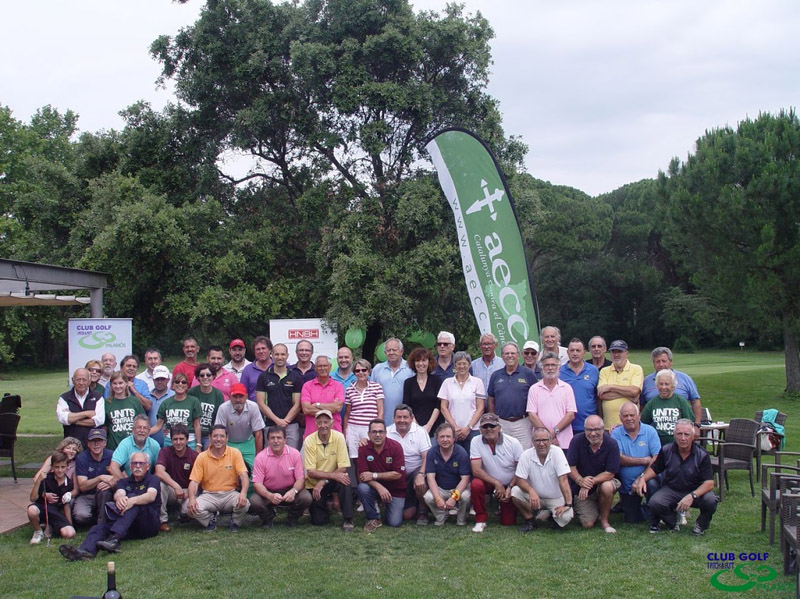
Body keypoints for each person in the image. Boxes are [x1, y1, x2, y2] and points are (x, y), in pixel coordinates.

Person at [59, 452, 160, 560]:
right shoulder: (124, 481)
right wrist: (120, 499)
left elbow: (151, 496)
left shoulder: (153, 479)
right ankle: (85, 552)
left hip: (148, 524)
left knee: (134, 504)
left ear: (148, 466)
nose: (138, 466)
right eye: (135, 463)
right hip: (128, 526)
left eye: (141, 463)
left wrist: (132, 500)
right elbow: (119, 493)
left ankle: (114, 539)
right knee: (98, 528)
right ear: (130, 466)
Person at [634, 419, 718, 535]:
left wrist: (692, 496)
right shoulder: (666, 450)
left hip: (695, 491)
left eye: (686, 434)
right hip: (672, 489)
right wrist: (642, 478)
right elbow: (655, 468)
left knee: (710, 500)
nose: (683, 438)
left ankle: (701, 525)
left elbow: (709, 483)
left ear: (693, 436)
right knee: (655, 502)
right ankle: (673, 522)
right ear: (674, 435)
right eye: (679, 434)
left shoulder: (702, 455)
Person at [188, 424, 250, 532]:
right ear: (210, 438)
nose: (218, 439)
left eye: (222, 436)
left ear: (227, 438)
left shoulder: (235, 453)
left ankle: (235, 522)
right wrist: (192, 499)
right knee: (191, 509)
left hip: (230, 494)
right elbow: (194, 481)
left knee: (245, 504)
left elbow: (243, 475)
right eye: (215, 436)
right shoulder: (201, 457)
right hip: (209, 495)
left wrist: (243, 493)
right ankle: (210, 521)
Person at [511, 427, 574, 532]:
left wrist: (567, 504)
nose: (541, 444)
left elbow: (563, 480)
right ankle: (530, 521)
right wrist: (531, 491)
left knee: (566, 517)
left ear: (550, 440)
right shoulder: (526, 455)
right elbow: (520, 479)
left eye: (544, 440)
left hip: (555, 498)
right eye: (538, 440)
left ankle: (551, 516)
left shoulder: (558, 452)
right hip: (535, 498)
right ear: (533, 442)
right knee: (515, 492)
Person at [567, 415, 621, 533]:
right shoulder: (576, 441)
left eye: (596, 429)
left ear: (602, 429)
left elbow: (610, 473)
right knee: (588, 524)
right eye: (589, 430)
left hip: (603, 482)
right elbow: (570, 467)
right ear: (584, 429)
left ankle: (605, 521)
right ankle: (596, 506)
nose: (593, 433)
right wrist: (580, 481)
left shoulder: (611, 444)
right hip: (581, 485)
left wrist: (589, 482)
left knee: (607, 486)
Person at [302, 410, 355, 531]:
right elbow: (311, 472)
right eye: (319, 422)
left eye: (326, 422)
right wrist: (322, 481)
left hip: (332, 480)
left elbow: (343, 467)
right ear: (315, 424)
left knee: (345, 480)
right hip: (314, 483)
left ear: (332, 423)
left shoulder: (339, 437)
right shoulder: (309, 440)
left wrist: (324, 481)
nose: (323, 425)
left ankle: (348, 518)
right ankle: (325, 509)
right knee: (319, 521)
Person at [250, 426, 312, 528]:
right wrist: (269, 495)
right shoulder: (260, 457)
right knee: (254, 501)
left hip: (289, 489)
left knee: (306, 497)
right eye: (272, 438)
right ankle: (268, 518)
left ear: (285, 440)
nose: (276, 441)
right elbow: (257, 484)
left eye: (279, 438)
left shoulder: (294, 454)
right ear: (268, 440)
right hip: (269, 491)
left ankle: (292, 517)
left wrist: (293, 491)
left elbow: (300, 479)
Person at [469, 413, 522, 532]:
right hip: (489, 482)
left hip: (509, 484)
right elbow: (476, 470)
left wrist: (509, 487)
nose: (489, 429)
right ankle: (480, 520)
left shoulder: (513, 442)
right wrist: (497, 483)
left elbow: (521, 470)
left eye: (492, 426)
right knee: (476, 484)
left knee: (508, 522)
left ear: (499, 427)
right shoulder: (475, 441)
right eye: (485, 427)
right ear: (480, 429)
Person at [610, 402, 661, 523]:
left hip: (647, 479)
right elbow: (619, 458)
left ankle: (656, 513)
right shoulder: (616, 433)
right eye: (625, 416)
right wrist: (644, 460)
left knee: (652, 483)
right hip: (627, 485)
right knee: (632, 519)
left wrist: (641, 478)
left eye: (632, 415)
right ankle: (643, 508)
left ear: (639, 416)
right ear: (620, 418)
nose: (629, 418)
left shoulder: (650, 431)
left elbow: (656, 459)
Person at [357, 419, 407, 531]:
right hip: (374, 488)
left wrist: (374, 476)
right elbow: (363, 475)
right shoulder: (363, 448)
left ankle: (386, 506)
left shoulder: (396, 447)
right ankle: (374, 518)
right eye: (374, 432)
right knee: (363, 488)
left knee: (394, 523)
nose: (378, 435)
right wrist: (380, 487)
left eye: (381, 431)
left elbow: (398, 474)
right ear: (369, 434)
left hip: (395, 489)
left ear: (386, 433)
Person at [487, 342, 538, 450]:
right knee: (503, 455)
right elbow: (491, 399)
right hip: (502, 423)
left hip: (523, 423)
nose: (510, 356)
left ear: (518, 355)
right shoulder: (495, 375)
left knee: (524, 456)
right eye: (507, 353)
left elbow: (536, 398)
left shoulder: (528, 374)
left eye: (513, 353)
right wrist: (493, 420)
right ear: (502, 356)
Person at [387, 404, 431, 522]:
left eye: (405, 417)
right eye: (399, 417)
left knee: (421, 484)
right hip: (395, 475)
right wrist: (363, 439)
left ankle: (423, 511)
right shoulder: (387, 432)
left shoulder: (421, 432)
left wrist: (421, 474)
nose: (402, 420)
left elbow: (427, 456)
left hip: (415, 472)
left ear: (412, 418)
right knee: (406, 516)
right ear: (394, 418)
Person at [256, 343, 303, 450]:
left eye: (282, 354)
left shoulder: (295, 376)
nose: (280, 357)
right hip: (270, 424)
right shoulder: (263, 376)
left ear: (287, 355)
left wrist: (285, 421)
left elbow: (297, 404)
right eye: (277, 354)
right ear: (272, 355)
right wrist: (277, 421)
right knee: (271, 458)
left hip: (291, 425)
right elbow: (261, 403)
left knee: (292, 457)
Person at [424, 423, 471, 526]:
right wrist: (438, 498)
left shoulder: (461, 453)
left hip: (458, 488)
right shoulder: (432, 452)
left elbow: (465, 479)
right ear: (437, 439)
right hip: (441, 488)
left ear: (454, 438)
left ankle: (461, 519)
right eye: (442, 437)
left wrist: (454, 497)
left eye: (448, 436)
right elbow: (430, 477)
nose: (445, 439)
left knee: (466, 496)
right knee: (428, 497)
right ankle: (442, 515)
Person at [527, 351, 577, 448]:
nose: (550, 368)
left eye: (553, 365)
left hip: (564, 441)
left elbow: (570, 415)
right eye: (547, 365)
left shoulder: (567, 388)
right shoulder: (534, 389)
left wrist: (553, 433)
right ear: (542, 367)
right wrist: (547, 436)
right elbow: (532, 415)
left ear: (559, 367)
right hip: (540, 441)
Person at [438, 351, 485, 453]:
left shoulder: (477, 382)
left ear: (469, 365)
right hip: (452, 430)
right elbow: (443, 408)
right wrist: (455, 427)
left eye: (464, 363)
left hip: (473, 430)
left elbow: (480, 408)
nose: (462, 366)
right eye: (459, 363)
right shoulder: (447, 382)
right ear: (454, 365)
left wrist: (468, 427)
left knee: (473, 461)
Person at [640, 347, 703, 423]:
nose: (661, 364)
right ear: (653, 363)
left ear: (670, 362)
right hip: (655, 429)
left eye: (664, 361)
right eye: (658, 361)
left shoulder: (685, 379)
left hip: (681, 429)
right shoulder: (646, 381)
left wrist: (697, 424)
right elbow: (642, 405)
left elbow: (695, 402)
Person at [154, 424, 198, 532]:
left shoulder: (194, 455)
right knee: (160, 485)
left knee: (190, 511)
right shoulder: (165, 452)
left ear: (187, 439)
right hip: (171, 490)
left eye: (181, 439)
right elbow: (159, 471)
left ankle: (183, 514)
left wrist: (189, 493)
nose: (178, 442)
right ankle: (162, 521)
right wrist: (175, 486)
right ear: (171, 439)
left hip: (188, 491)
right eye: (175, 439)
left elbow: (198, 479)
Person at [214, 382, 265, 471]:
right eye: (235, 397)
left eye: (241, 396)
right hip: (229, 443)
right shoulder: (223, 408)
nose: (238, 400)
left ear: (246, 396)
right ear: (230, 397)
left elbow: (258, 433)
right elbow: (219, 432)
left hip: (248, 443)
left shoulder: (253, 407)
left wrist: (258, 456)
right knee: (226, 470)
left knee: (255, 470)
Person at [28, 450, 75, 544]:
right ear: (52, 467)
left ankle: (51, 527)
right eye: (57, 467)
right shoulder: (46, 479)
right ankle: (38, 531)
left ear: (67, 467)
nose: (60, 470)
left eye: (63, 467)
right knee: (32, 510)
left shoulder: (68, 483)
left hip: (55, 512)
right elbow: (32, 498)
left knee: (70, 534)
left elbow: (66, 505)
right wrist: (38, 481)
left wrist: (70, 524)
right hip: (43, 509)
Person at [640, 370, 696, 446]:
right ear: (657, 386)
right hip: (658, 444)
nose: (663, 387)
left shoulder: (680, 401)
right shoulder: (652, 403)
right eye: (661, 384)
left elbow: (690, 422)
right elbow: (642, 423)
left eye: (667, 384)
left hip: (677, 444)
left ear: (673, 386)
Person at [343, 359, 384, 460]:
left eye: (364, 370)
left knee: (370, 457)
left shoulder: (377, 387)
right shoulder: (349, 390)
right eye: (357, 371)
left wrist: (375, 429)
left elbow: (381, 411)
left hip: (369, 428)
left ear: (369, 371)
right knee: (356, 459)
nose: (361, 373)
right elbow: (347, 414)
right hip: (353, 428)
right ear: (354, 373)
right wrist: (345, 432)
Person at [597, 340, 643, 430]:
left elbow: (634, 391)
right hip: (608, 426)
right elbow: (602, 394)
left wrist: (611, 387)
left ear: (626, 353)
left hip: (630, 426)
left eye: (620, 351)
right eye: (614, 352)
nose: (616, 355)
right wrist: (628, 394)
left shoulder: (636, 369)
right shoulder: (604, 371)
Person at [73, 428, 115, 526]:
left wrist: (110, 483)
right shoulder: (82, 458)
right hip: (86, 495)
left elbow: (121, 477)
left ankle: (101, 524)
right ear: (88, 443)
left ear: (105, 443)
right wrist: (100, 478)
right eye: (93, 441)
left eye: (99, 441)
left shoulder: (112, 455)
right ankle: (98, 516)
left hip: (106, 494)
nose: (96, 444)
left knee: (104, 491)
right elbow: (82, 486)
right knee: (81, 516)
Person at [150, 372, 202, 451]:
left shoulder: (194, 401)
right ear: (173, 385)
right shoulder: (166, 403)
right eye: (177, 382)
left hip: (189, 441)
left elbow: (197, 425)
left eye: (183, 382)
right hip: (170, 441)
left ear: (187, 386)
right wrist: (143, 434)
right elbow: (158, 426)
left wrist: (198, 445)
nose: (180, 384)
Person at [56, 367, 104, 448]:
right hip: (71, 446)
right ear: (73, 380)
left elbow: (98, 421)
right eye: (78, 380)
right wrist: (87, 413)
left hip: (92, 445)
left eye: (84, 380)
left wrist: (74, 421)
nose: (81, 383)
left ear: (89, 381)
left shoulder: (98, 397)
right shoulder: (64, 398)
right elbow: (63, 419)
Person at [559, 338, 599, 435]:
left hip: (589, 426)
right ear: (567, 353)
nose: (575, 353)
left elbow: (598, 397)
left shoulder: (593, 371)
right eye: (572, 350)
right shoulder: (560, 372)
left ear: (584, 352)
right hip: (566, 425)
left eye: (578, 350)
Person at [372, 337, 413, 425]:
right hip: (382, 420)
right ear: (385, 353)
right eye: (388, 350)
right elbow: (372, 395)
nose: (391, 353)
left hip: (404, 421)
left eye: (394, 350)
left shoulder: (410, 368)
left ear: (401, 351)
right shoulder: (377, 369)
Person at [301, 355, 345, 438]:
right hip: (312, 434)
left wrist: (317, 405)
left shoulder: (338, 386)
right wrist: (331, 408)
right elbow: (306, 409)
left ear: (330, 367)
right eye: (319, 366)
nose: (322, 368)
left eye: (325, 366)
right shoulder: (307, 386)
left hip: (334, 433)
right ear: (315, 368)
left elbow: (338, 408)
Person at [402, 347, 443, 436]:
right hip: (413, 428)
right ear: (413, 363)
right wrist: (415, 425)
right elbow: (407, 405)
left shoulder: (437, 381)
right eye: (417, 361)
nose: (421, 364)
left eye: (424, 360)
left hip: (434, 429)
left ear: (429, 362)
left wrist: (429, 426)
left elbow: (438, 405)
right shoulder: (408, 383)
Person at [109, 414, 161, 480]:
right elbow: (113, 467)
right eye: (139, 427)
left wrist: (153, 483)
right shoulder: (125, 444)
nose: (142, 430)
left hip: (148, 484)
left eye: (145, 428)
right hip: (128, 482)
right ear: (133, 429)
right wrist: (124, 484)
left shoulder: (155, 445)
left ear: (149, 431)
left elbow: (159, 469)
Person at [105, 371, 145, 451]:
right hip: (114, 446)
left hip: (133, 445)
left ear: (126, 383)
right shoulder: (107, 403)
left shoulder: (134, 401)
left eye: (120, 383)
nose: (118, 386)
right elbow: (105, 425)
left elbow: (143, 421)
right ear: (111, 385)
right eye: (114, 383)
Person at [187, 363, 224, 450]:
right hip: (193, 434)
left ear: (213, 376)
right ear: (198, 378)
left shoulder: (218, 394)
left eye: (208, 375)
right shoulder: (192, 392)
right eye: (202, 375)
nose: (205, 377)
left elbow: (218, 418)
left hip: (209, 434)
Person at [145, 365, 174, 447]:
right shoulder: (147, 397)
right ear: (153, 380)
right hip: (149, 441)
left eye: (162, 379)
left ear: (168, 379)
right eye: (157, 379)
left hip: (169, 441)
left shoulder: (174, 396)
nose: (160, 382)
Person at [240, 336, 273, 400]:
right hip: (254, 409)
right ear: (254, 352)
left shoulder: (281, 366)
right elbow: (243, 393)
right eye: (258, 349)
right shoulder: (247, 370)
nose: (261, 351)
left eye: (263, 348)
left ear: (270, 350)